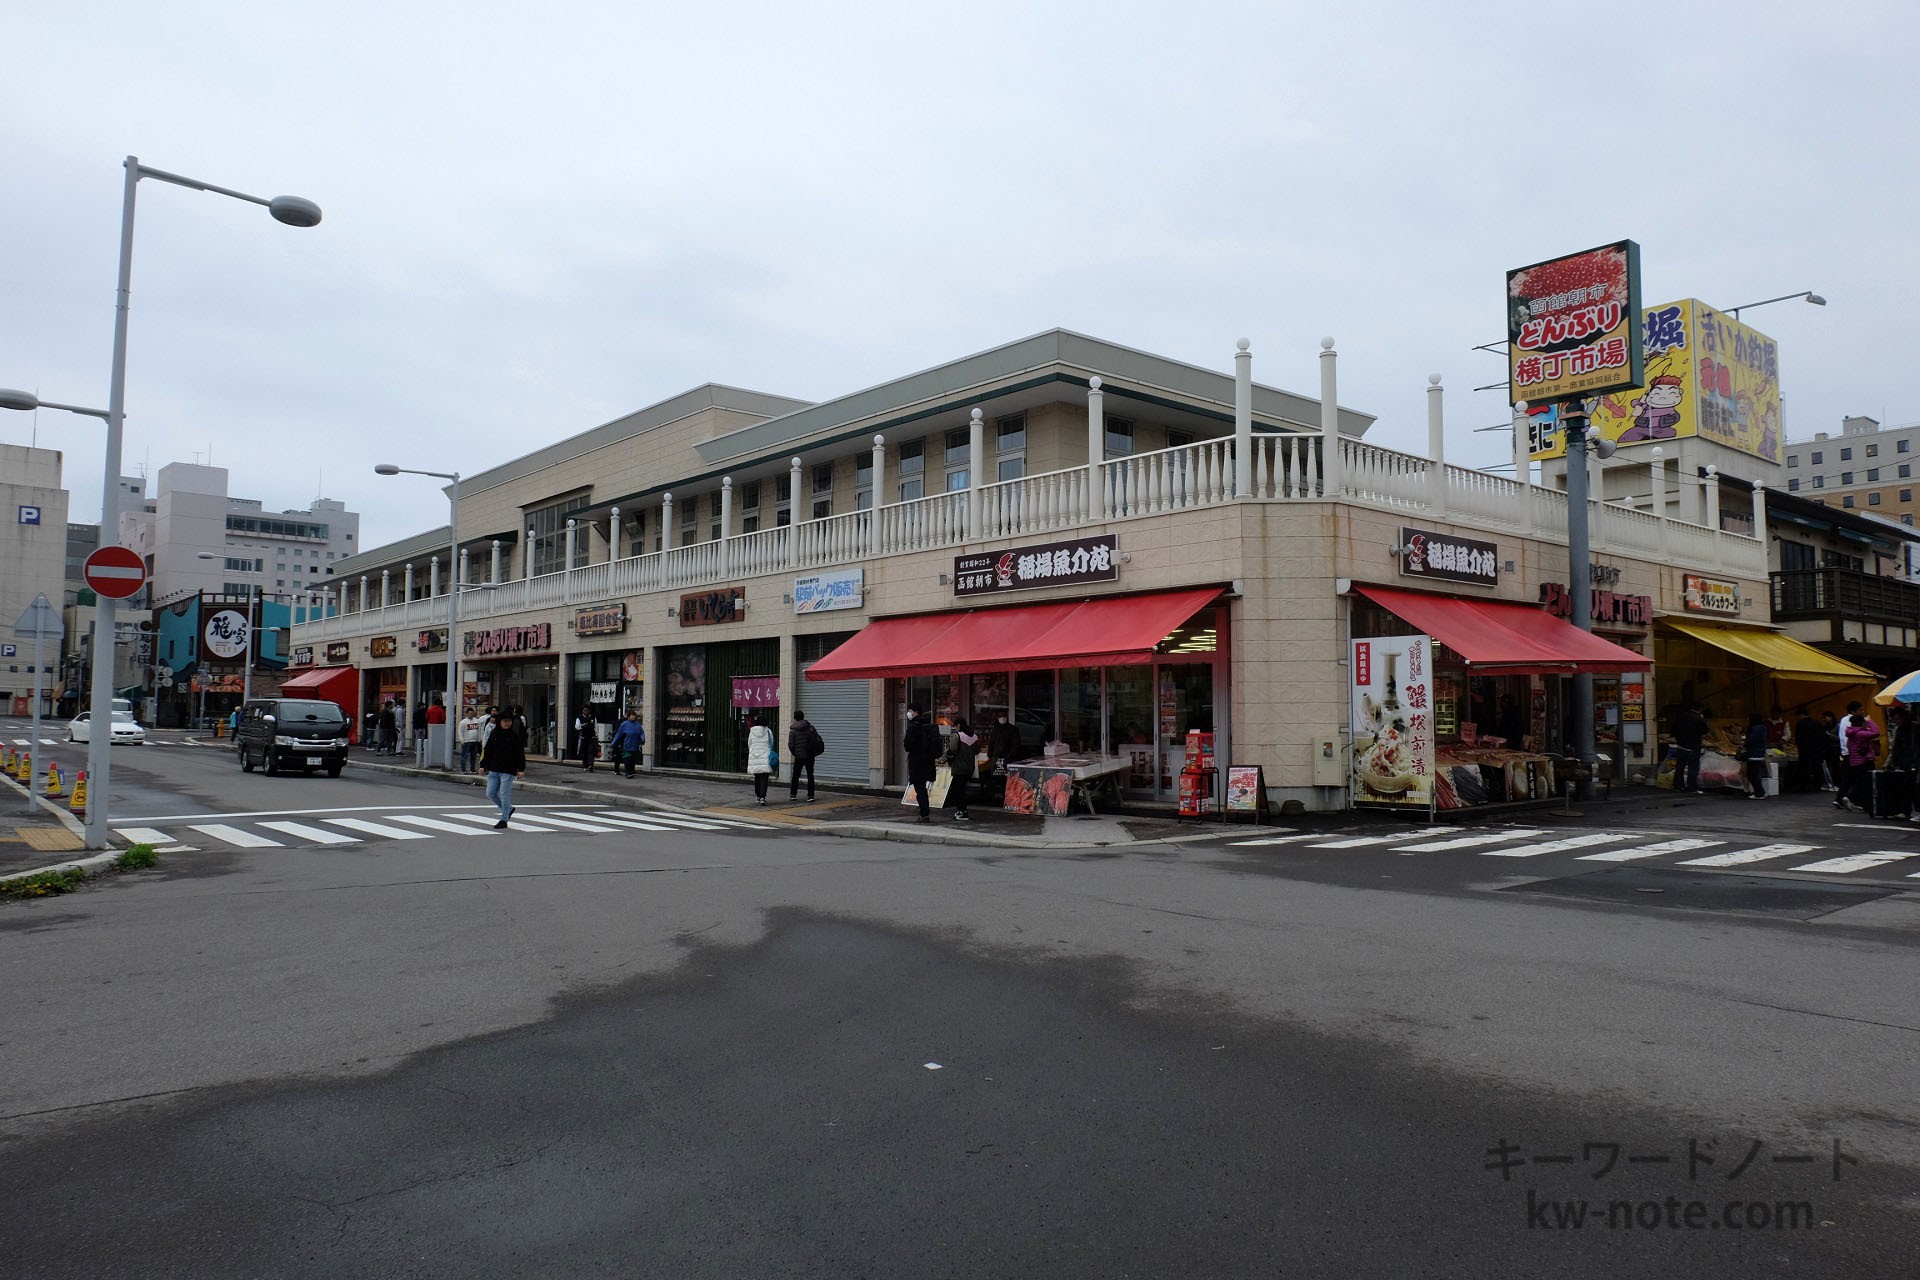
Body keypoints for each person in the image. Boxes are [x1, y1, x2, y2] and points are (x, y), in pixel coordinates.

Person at [478, 709, 526, 829]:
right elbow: (488, 750)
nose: (507, 723)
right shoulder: (494, 733)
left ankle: (504, 820)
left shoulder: (514, 735)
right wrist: (483, 765)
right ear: (500, 721)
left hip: (508, 770)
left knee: (505, 795)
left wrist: (521, 769)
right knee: (490, 793)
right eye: (505, 721)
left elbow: (520, 753)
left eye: (509, 721)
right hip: (494, 769)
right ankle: (509, 809)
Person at [903, 704, 942, 824]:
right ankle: (924, 813)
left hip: (917, 763)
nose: (908, 713)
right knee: (923, 788)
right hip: (928, 762)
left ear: (916, 712)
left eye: (910, 711)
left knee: (920, 789)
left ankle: (924, 814)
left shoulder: (913, 728)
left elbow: (907, 746)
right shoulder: (928, 726)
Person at [1838, 705, 1881, 812]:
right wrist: (1870, 722)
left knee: (1859, 781)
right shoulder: (1861, 733)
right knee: (1865, 782)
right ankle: (1850, 797)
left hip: (1854, 761)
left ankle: (1855, 800)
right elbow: (1876, 732)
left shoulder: (1851, 734)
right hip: (1865, 761)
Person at [945, 718, 979, 822]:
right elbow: (977, 751)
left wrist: (947, 751)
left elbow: (953, 749)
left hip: (959, 767)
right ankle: (962, 810)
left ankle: (962, 811)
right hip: (969, 767)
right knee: (962, 789)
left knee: (957, 790)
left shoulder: (957, 736)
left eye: (955, 726)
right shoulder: (974, 736)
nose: (955, 728)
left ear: (959, 725)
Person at [1886, 706, 1917, 821]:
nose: (1896, 722)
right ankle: (1905, 810)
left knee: (1912, 787)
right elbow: (1896, 748)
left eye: (1897, 719)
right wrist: (1893, 762)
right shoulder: (1899, 730)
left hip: (1914, 762)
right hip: (1904, 763)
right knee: (1906, 787)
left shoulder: (1915, 728)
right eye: (1894, 720)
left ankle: (1906, 810)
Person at [787, 713, 824, 802]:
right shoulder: (811, 728)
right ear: (803, 717)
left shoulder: (793, 730)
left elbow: (791, 745)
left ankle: (793, 794)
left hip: (799, 756)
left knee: (795, 775)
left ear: (795, 718)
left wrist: (795, 753)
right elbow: (817, 740)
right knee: (810, 775)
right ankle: (811, 795)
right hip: (810, 755)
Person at [1671, 703, 1707, 794]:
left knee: (1680, 767)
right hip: (1693, 746)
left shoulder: (1681, 716)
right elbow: (1705, 730)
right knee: (1693, 768)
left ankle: (1678, 786)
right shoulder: (1699, 718)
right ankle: (1691, 787)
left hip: (1681, 745)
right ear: (1700, 709)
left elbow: (1673, 729)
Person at [1794, 710, 1829, 793]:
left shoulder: (1800, 724)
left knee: (1803, 767)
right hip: (1816, 749)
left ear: (1801, 715)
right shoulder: (1817, 723)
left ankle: (1803, 786)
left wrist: (1799, 746)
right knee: (1817, 766)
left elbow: (1798, 737)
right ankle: (1818, 785)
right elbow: (1823, 736)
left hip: (1804, 749)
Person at [746, 714, 775, 805]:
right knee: (764, 778)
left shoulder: (752, 731)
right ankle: (763, 797)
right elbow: (771, 743)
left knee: (757, 777)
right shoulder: (768, 731)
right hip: (765, 756)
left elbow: (749, 744)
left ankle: (758, 796)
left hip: (754, 757)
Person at [1742, 713, 1769, 800]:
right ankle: (1761, 792)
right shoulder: (1761, 727)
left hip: (1755, 753)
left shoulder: (1756, 729)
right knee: (1753, 774)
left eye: (1748, 719)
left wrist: (1744, 742)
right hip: (1758, 753)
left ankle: (1760, 793)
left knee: (1751, 774)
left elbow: (1751, 740)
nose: (1747, 721)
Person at [611, 712, 645, 778]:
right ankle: (628, 773)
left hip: (635, 745)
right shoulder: (624, 724)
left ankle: (631, 772)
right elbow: (618, 734)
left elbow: (641, 733)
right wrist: (613, 743)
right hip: (625, 745)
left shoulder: (638, 725)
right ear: (628, 716)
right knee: (627, 760)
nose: (633, 717)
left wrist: (643, 740)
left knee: (632, 760)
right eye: (631, 716)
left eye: (634, 716)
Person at [458, 706, 484, 773]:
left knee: (473, 756)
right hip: (466, 741)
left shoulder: (477, 721)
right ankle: (463, 770)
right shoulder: (463, 722)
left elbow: (480, 730)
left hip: (475, 741)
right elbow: (460, 731)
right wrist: (462, 740)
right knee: (464, 756)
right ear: (466, 714)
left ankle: (472, 769)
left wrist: (480, 739)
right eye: (469, 713)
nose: (471, 714)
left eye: (472, 713)